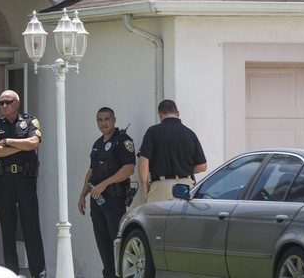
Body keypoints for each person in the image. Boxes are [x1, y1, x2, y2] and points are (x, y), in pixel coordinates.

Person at [0, 90, 46, 278]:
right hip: (3, 182)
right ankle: (12, 273)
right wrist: (20, 145)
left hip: (25, 180)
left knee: (31, 227)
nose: (4, 106)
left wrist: (8, 142)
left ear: (17, 103)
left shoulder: (29, 122)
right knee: (7, 228)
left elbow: (33, 144)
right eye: (1, 102)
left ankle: (38, 272)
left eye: (8, 102)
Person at [78, 107, 136, 278]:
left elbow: (129, 169)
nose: (103, 123)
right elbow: (91, 172)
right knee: (103, 245)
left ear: (114, 120)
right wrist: (82, 195)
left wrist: (105, 184)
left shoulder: (123, 141)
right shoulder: (97, 143)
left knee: (117, 243)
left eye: (107, 119)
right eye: (100, 120)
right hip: (97, 202)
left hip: (115, 200)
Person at [138, 99, 207, 204]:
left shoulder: (152, 132)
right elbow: (202, 166)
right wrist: (183, 169)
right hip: (185, 187)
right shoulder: (190, 134)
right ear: (178, 113)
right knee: (181, 220)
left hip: (160, 187)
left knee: (155, 219)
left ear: (160, 114)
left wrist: (144, 185)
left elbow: (143, 162)